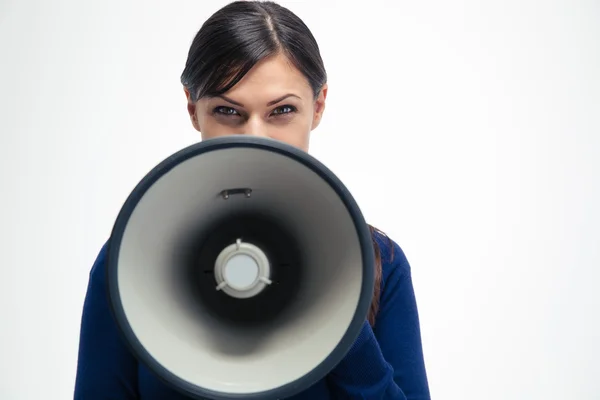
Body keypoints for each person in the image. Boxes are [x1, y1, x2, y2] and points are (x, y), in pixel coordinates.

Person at [73, 1, 431, 399]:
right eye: (228, 110)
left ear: (319, 106)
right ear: (193, 109)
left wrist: (339, 308)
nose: (254, 138)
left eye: (282, 110)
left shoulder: (379, 263)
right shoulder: (127, 263)